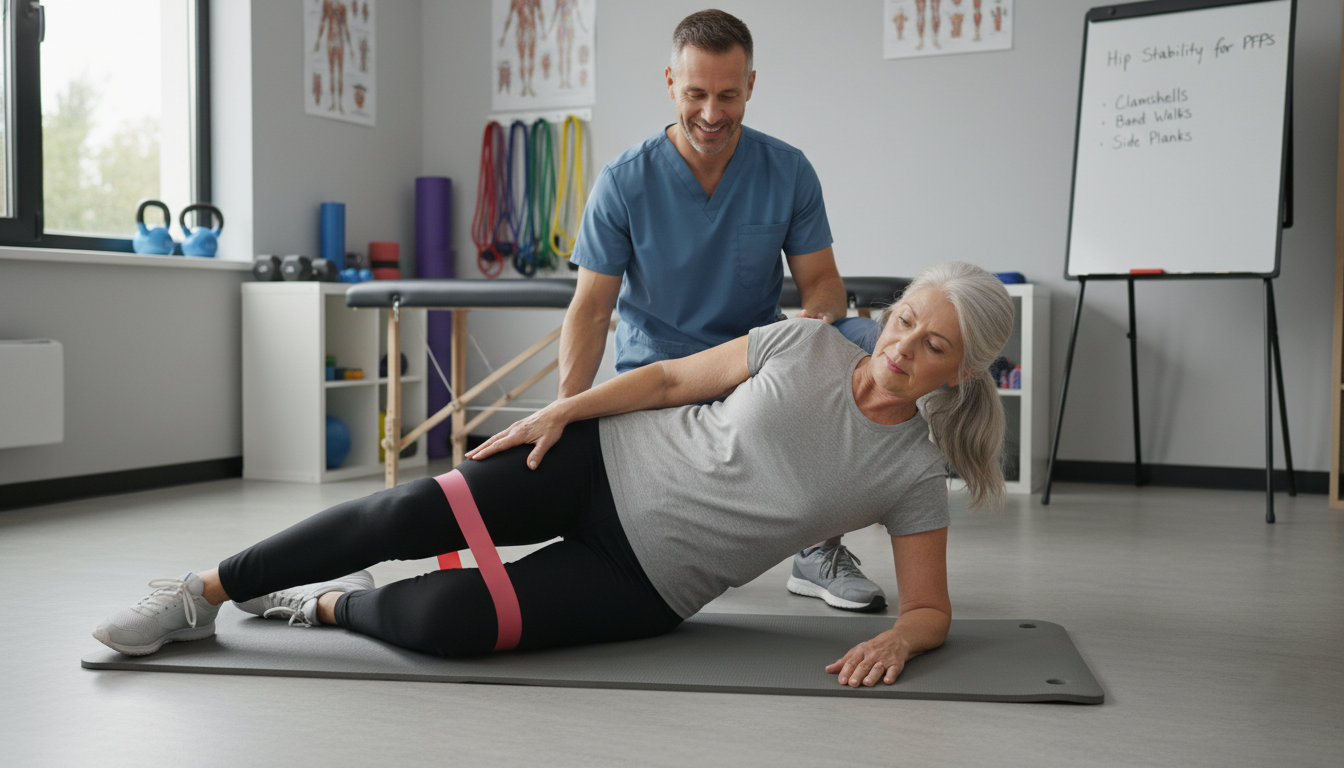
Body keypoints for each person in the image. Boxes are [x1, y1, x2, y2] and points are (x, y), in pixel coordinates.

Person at [92, 263, 1012, 688]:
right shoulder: (806, 342)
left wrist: (903, 641)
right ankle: (196, 594)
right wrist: (565, 409)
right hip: (600, 463)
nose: (900, 350)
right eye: (901, 323)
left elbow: (928, 608)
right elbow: (665, 380)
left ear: (962, 373)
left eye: (933, 347)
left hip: (650, 580)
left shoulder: (909, 474)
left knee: (446, 624)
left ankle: (328, 605)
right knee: (404, 514)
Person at [560, 9, 887, 612]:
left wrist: (814, 330)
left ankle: (819, 551)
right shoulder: (623, 182)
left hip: (750, 370)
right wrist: (564, 413)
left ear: (751, 86)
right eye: (696, 95)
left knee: (864, 338)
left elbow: (823, 286)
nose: (712, 114)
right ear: (669, 83)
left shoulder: (787, 170)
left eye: (729, 96)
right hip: (656, 378)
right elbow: (590, 309)